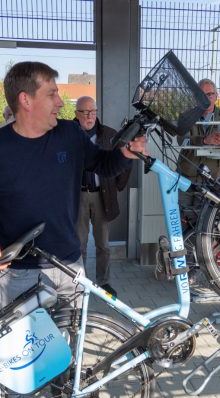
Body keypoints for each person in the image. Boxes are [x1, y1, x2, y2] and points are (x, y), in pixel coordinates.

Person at [0, 61, 145, 308]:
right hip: (19, 273)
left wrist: (124, 155)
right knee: (27, 348)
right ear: (26, 100)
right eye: (52, 94)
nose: (60, 102)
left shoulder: (69, 134)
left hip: (70, 267)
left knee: (67, 344)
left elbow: (103, 164)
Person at [73, 96, 131, 297]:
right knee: (78, 245)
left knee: (103, 245)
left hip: (102, 196)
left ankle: (104, 282)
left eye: (93, 111)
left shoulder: (109, 134)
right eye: (85, 112)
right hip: (78, 196)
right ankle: (81, 284)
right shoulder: (68, 135)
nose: (90, 116)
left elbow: (125, 160)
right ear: (76, 114)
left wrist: (116, 185)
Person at [177, 78, 220, 181]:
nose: (206, 99)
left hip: (211, 179)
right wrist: (204, 140)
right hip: (185, 177)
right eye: (202, 95)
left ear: (216, 96)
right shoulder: (187, 116)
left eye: (210, 94)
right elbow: (181, 141)